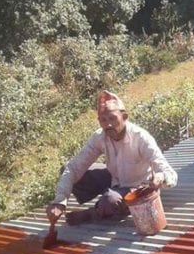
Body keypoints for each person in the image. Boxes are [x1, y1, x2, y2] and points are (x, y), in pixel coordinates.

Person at [46, 90, 178, 226]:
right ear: (99, 121)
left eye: (112, 118)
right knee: (67, 170)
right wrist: (59, 201)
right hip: (114, 179)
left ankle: (93, 213)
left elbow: (169, 173)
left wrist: (160, 177)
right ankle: (110, 200)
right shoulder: (99, 137)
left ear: (124, 117)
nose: (108, 124)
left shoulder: (141, 137)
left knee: (110, 200)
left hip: (137, 186)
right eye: (103, 120)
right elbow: (74, 167)